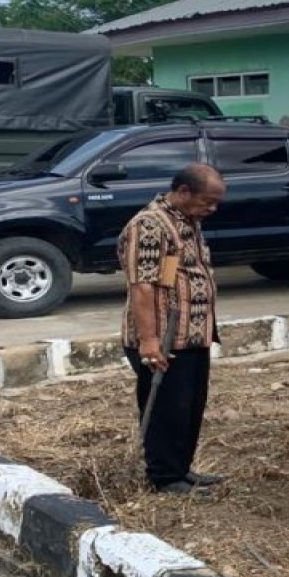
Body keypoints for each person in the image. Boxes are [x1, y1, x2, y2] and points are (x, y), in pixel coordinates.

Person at [118, 164, 226, 496]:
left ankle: (181, 468)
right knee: (168, 407)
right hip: (162, 338)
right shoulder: (150, 225)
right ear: (183, 192)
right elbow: (143, 287)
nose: (212, 209)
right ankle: (164, 476)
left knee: (190, 405)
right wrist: (149, 340)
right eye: (207, 201)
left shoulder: (188, 221)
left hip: (191, 335)